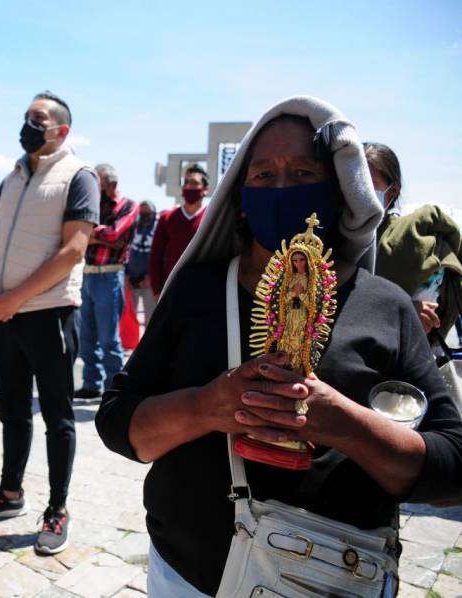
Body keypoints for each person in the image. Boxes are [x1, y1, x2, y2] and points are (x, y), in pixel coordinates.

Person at [95, 97, 462, 597]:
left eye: (303, 173)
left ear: (337, 193)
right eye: (263, 175)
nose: (282, 188)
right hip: (186, 576)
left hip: (328, 577)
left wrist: (347, 423)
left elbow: (451, 471)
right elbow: (118, 421)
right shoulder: (198, 291)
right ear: (240, 197)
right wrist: (208, 407)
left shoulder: (386, 307)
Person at [0, 91, 99, 555]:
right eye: (25, 117)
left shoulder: (79, 177)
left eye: (37, 119)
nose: (27, 125)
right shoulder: (13, 176)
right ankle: (10, 492)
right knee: (11, 410)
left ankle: (57, 508)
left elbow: (73, 250)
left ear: (61, 129)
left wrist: (15, 298)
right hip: (2, 316)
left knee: (58, 417)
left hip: (49, 316)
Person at [366, 142, 462, 341]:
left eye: (368, 183)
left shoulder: (415, 242)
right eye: (351, 181)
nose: (357, 190)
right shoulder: (328, 238)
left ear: (391, 193)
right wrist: (405, 310)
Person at [74, 163, 137, 400]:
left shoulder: (129, 206)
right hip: (87, 273)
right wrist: (101, 236)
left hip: (110, 275)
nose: (94, 188)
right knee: (87, 337)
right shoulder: (94, 204)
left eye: (98, 183)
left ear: (111, 184)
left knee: (109, 338)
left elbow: (115, 235)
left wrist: (93, 235)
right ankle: (91, 383)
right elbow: (80, 233)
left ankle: (113, 387)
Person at [148, 163, 209, 296]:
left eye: (194, 183)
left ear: (205, 189)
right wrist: (157, 290)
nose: (188, 186)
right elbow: (156, 256)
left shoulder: (212, 218)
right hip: (172, 290)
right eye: (186, 182)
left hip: (204, 290)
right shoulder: (167, 218)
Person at [125, 201, 158, 327]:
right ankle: (132, 344)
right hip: (131, 280)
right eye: (142, 212)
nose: (144, 215)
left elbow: (160, 255)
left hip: (149, 282)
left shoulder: (158, 229)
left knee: (150, 318)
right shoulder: (134, 228)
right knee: (130, 317)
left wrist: (151, 276)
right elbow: (127, 250)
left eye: (147, 212)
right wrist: (126, 274)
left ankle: (148, 345)